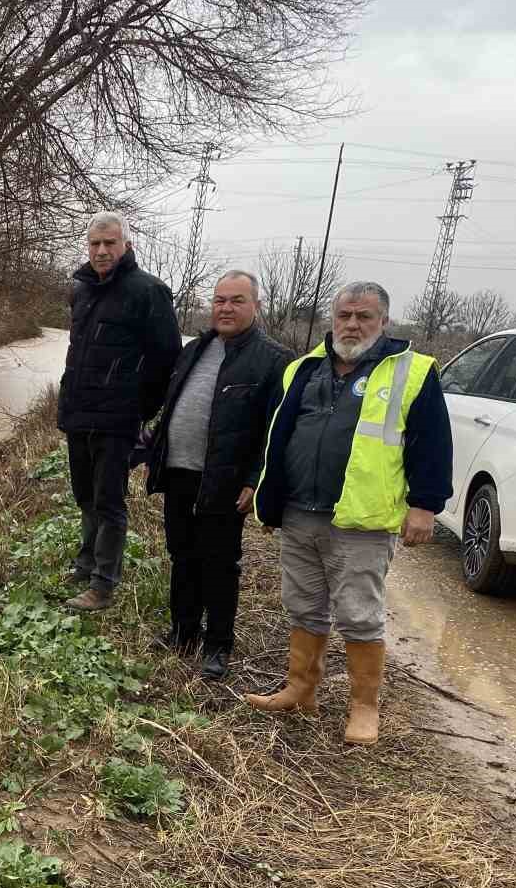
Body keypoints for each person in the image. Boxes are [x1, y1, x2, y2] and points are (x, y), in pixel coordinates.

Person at [242, 282, 453, 745]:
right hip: (300, 512)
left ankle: (364, 708)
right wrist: (266, 490)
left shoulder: (411, 373)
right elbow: (279, 435)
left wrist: (424, 505)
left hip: (360, 520)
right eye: (344, 315)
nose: (352, 324)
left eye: (364, 316)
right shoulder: (304, 369)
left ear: (384, 323)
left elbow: (433, 444)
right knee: (303, 606)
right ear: (331, 319)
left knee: (359, 614)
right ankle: (300, 689)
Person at [144, 271, 287, 681]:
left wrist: (256, 478)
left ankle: (218, 645)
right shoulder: (196, 349)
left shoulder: (273, 359)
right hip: (179, 473)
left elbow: (275, 429)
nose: (225, 307)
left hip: (225, 481)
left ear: (256, 306)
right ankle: (183, 632)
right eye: (220, 300)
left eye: (237, 300)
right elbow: (172, 407)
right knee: (182, 555)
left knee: (220, 564)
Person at [58, 211, 181, 611]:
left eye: (110, 243)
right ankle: (86, 561)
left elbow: (167, 361)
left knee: (110, 501)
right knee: (84, 494)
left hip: (117, 420)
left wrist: (138, 410)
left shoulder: (150, 292)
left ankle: (103, 584)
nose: (101, 250)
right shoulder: (81, 289)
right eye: (94, 243)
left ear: (127, 245)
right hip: (79, 413)